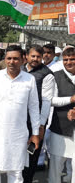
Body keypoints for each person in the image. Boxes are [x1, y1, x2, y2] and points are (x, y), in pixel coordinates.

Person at [0, 45, 40, 183]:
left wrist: (35, 133)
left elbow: (34, 108)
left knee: (16, 170)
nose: (12, 62)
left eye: (16, 59)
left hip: (18, 134)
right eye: (9, 58)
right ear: (5, 59)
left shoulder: (29, 79)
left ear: (23, 60)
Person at [21, 45, 55, 182]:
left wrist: (41, 126)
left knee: (31, 155)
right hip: (19, 120)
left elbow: (46, 102)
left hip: (35, 123)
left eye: (38, 57)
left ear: (42, 58)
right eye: (33, 56)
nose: (35, 59)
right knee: (17, 154)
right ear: (27, 56)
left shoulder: (46, 74)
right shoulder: (21, 70)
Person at [48, 47, 75, 183]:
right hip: (60, 127)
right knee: (56, 165)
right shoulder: (55, 75)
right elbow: (50, 100)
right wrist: (70, 99)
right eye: (65, 60)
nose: (68, 62)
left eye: (72, 59)